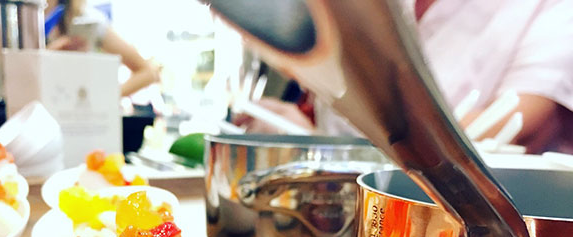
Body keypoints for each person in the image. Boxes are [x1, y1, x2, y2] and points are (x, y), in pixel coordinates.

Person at [237, 0, 573, 154]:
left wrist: (328, 150)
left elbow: (515, 131)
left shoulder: (552, 10)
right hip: (337, 226)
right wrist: (302, 136)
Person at [44, 0, 161, 98]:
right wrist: (49, 55)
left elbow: (147, 72)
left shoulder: (87, 22)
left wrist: (104, 100)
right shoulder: (37, 19)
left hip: (77, 111)